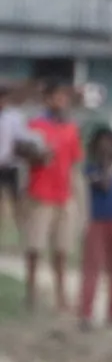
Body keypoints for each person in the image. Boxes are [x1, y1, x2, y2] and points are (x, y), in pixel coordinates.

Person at [22, 81, 82, 311]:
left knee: (62, 249)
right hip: (39, 193)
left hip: (63, 194)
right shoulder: (35, 125)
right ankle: (31, 291)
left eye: (64, 97)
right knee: (34, 246)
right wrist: (38, 155)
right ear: (47, 99)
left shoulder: (71, 128)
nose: (62, 102)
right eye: (57, 97)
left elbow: (75, 161)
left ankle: (60, 294)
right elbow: (26, 156)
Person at [77, 127, 112, 330]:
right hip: (96, 221)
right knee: (92, 268)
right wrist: (108, 166)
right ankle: (86, 313)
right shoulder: (89, 169)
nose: (105, 146)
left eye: (109, 142)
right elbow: (104, 185)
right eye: (102, 142)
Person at [0, 85, 28, 250]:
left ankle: (22, 238)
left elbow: (21, 138)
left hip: (10, 165)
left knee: (17, 202)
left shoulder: (13, 118)